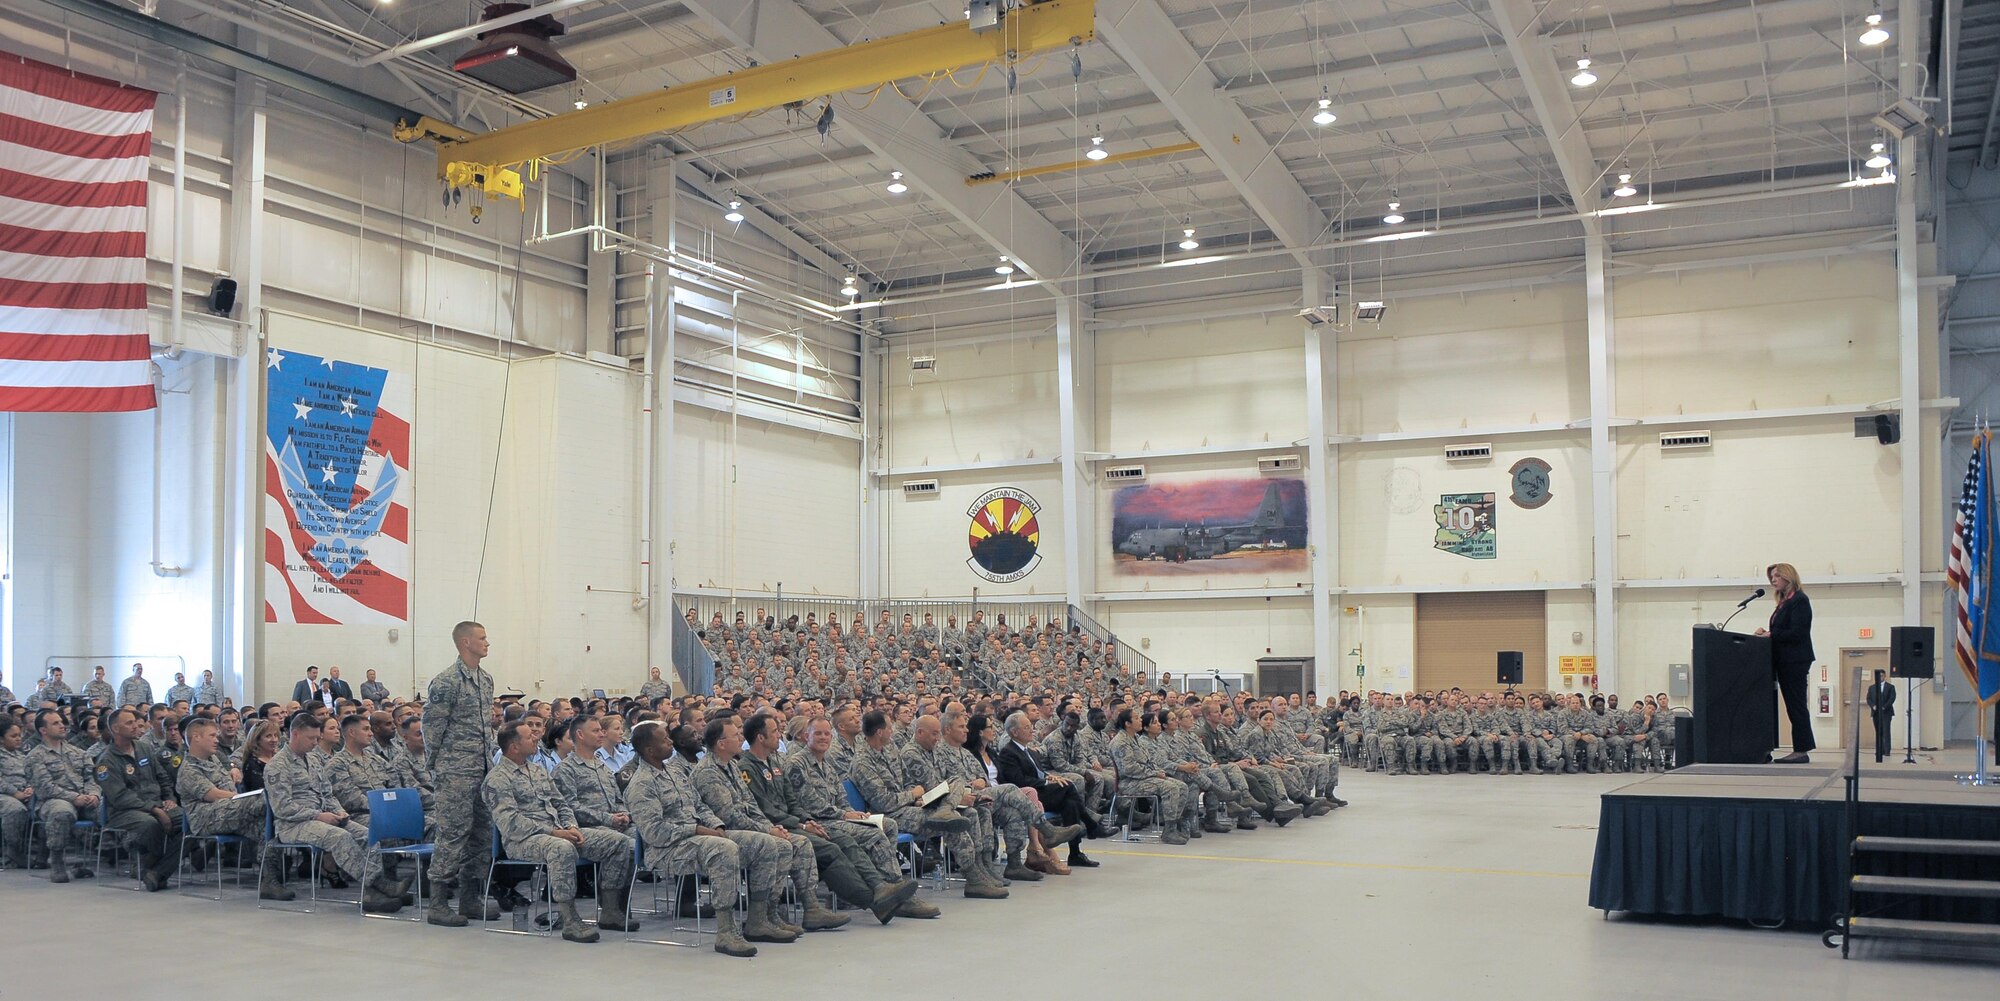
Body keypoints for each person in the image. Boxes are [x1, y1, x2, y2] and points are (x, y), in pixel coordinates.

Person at [690, 715, 850, 933]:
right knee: (773, 843)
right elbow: (730, 816)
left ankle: (794, 910)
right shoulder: (708, 772)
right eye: (735, 736)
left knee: (797, 843)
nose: (740, 739)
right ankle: (758, 919)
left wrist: (773, 827)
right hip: (725, 831)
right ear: (721, 744)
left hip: (748, 827)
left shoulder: (731, 766)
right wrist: (768, 830)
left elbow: (751, 805)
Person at [482, 719, 635, 943]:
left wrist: (571, 826)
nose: (536, 737)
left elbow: (561, 804)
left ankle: (611, 909)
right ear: (514, 746)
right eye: (528, 736)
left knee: (618, 842)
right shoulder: (497, 779)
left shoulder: (537, 771)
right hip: (524, 840)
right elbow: (511, 823)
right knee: (561, 848)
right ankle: (570, 918)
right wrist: (555, 832)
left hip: (559, 832)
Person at [624, 720, 769, 957]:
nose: (670, 742)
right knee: (723, 849)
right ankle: (725, 930)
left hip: (697, 837)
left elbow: (699, 805)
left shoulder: (673, 771)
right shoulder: (641, 784)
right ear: (649, 750)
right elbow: (655, 832)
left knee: (763, 843)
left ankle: (760, 918)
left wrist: (715, 825)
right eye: (664, 740)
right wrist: (697, 830)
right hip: (666, 849)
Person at [266, 710, 408, 913]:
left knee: (369, 836)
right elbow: (283, 808)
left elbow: (328, 794)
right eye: (311, 738)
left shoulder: (313, 761)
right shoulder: (277, 766)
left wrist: (340, 812)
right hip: (293, 825)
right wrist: (318, 815)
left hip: (324, 818)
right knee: (339, 836)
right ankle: (379, 884)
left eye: (317, 738)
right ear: (295, 734)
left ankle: (371, 893)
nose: (315, 743)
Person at [422, 621, 500, 926]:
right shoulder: (446, 682)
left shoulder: (486, 679)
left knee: (481, 834)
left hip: (482, 768)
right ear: (465, 642)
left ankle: (470, 897)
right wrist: (438, 767)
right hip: (454, 771)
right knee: (452, 834)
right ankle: (438, 902)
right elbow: (432, 728)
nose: (487, 643)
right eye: (482, 638)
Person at [177, 716, 292, 900]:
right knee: (267, 801)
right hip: (206, 818)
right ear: (196, 737)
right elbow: (213, 795)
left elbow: (234, 766)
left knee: (269, 824)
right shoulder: (189, 768)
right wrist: (242, 798)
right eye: (212, 736)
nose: (217, 739)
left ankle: (270, 879)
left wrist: (233, 770)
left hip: (229, 812)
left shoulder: (213, 759)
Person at [94, 707, 184, 891]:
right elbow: (120, 797)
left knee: (188, 820)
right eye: (129, 723)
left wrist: (169, 798)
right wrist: (154, 809)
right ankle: (149, 860)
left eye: (135, 721)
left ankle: (156, 867)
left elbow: (162, 777)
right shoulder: (106, 761)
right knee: (151, 824)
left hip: (157, 804)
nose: (136, 726)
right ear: (116, 729)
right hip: (124, 811)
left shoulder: (144, 748)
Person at [26, 709, 101, 881]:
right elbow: (45, 788)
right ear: (43, 730)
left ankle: (130, 857)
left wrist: (94, 794)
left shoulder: (78, 752)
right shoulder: (35, 756)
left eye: (61, 722)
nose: (62, 725)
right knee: (62, 812)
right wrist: (74, 798)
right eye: (55, 723)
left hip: (84, 798)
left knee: (110, 807)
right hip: (52, 801)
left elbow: (92, 777)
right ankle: (57, 860)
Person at [1755, 562, 1816, 763]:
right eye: (1771, 577)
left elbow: (1798, 632)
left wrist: (1771, 634)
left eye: (1776, 576)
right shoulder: (1784, 602)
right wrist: (1766, 633)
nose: (1773, 580)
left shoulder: (1799, 600)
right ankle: (1800, 748)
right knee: (1792, 705)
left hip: (1795, 660)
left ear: (1787, 577)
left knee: (1796, 705)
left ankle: (1801, 750)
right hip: (1784, 660)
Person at [0, 717, 31, 868]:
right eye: (13, 736)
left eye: (19, 735)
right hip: (5, 794)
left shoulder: (22, 755)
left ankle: (43, 856)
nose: (18, 739)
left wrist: (31, 788)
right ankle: (13, 850)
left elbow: (32, 774)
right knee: (15, 809)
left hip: (24, 793)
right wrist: (15, 793)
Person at [238, 720, 278, 793]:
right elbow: (260, 793)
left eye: (275, 735)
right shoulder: (252, 764)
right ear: (257, 740)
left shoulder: (279, 758)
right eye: (268, 736)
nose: (274, 740)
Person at [1867, 669, 1896, 763]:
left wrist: (1884, 707)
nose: (1880, 678)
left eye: (1882, 676)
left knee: (1886, 731)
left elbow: (1892, 698)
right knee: (1878, 731)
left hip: (1886, 712)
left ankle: (1887, 750)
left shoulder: (1890, 687)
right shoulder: (1872, 687)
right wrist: (1873, 706)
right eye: (1879, 676)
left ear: (1885, 676)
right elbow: (1869, 699)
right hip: (1876, 712)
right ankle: (1879, 750)